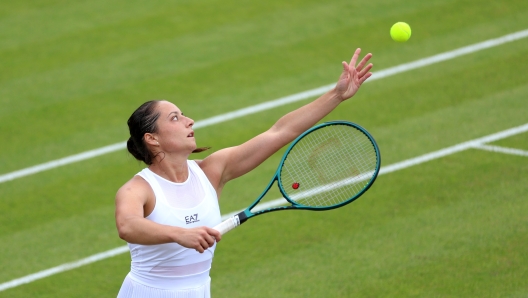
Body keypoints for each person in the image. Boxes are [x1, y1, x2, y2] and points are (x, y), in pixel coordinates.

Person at [115, 48, 373, 298]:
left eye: (183, 115)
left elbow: (279, 132)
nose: (189, 120)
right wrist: (179, 234)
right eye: (174, 118)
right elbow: (127, 225)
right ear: (152, 139)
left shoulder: (211, 172)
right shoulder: (138, 189)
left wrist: (336, 95)